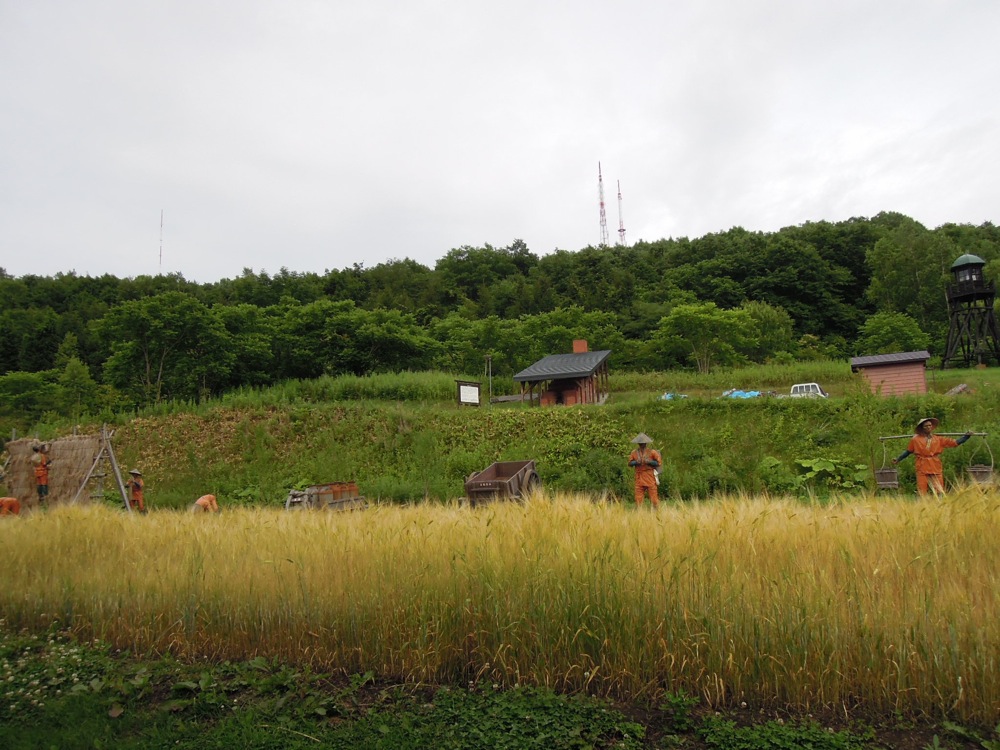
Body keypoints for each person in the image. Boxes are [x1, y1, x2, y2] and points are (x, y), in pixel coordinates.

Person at [892, 417, 973, 496]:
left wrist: (966, 437)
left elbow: (954, 443)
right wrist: (898, 459)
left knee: (939, 488)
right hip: (922, 464)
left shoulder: (938, 439)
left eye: (930, 425)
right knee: (922, 487)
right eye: (926, 426)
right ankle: (921, 504)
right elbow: (908, 451)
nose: (928, 427)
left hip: (935, 464)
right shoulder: (915, 440)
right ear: (922, 428)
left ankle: (940, 504)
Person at [628, 433, 662, 508]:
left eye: (643, 443)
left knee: (654, 497)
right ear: (638, 444)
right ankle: (639, 512)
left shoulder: (652, 452)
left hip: (649, 476)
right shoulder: (634, 453)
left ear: (646, 444)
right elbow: (630, 463)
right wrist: (636, 462)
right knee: (638, 498)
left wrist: (649, 462)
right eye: (640, 443)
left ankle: (656, 511)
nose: (641, 445)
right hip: (639, 476)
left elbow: (658, 463)